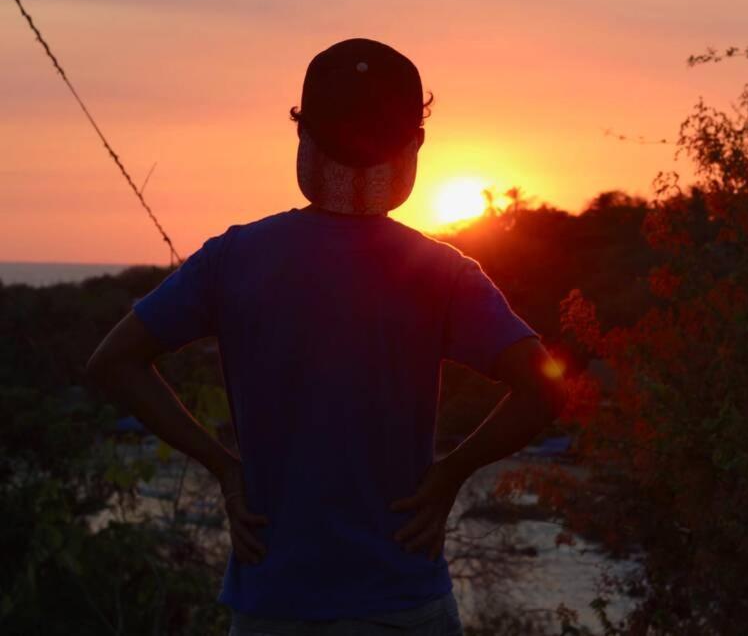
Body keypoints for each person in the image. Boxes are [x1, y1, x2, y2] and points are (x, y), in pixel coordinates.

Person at [86, 38, 566, 635]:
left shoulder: (233, 259)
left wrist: (224, 467)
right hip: (402, 598)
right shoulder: (442, 274)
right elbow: (545, 389)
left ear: (302, 136)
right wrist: (449, 475)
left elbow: (113, 364)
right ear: (413, 145)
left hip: (273, 598)